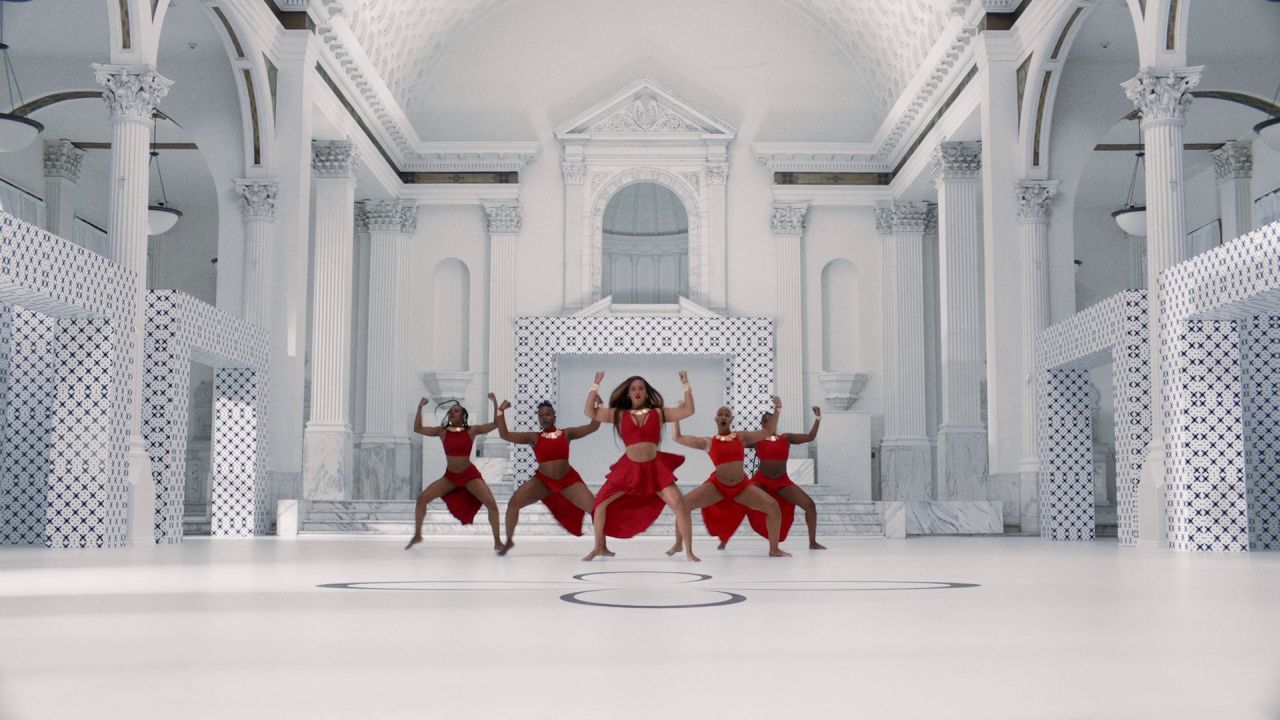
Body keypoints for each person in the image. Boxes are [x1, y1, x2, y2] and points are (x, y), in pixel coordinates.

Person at [582, 371, 699, 562]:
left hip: (654, 469)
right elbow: (590, 412)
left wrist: (686, 385)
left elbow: (688, 410)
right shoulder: (619, 414)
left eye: (641, 388)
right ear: (628, 394)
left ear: (646, 392)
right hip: (628, 469)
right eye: (633, 388)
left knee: (680, 505)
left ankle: (689, 551)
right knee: (600, 504)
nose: (637, 391)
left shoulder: (659, 413)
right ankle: (599, 547)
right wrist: (595, 386)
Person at [666, 398, 792, 558]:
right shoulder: (707, 442)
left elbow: (767, 432)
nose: (724, 417)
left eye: (727, 415)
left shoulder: (742, 437)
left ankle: (774, 549)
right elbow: (677, 437)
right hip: (717, 486)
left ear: (731, 419)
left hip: (741, 486)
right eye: (721, 414)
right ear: (716, 419)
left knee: (773, 507)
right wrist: (677, 414)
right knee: (682, 505)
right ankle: (679, 544)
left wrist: (778, 409)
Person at [490, 393, 606, 556]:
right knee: (513, 503)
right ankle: (509, 541)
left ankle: (601, 546)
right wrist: (500, 412)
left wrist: (599, 408)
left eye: (547, 414)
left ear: (554, 416)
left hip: (568, 481)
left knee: (595, 508)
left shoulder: (567, 434)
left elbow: (592, 427)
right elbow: (505, 435)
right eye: (541, 415)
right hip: (543, 482)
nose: (544, 417)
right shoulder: (534, 437)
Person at [404, 398, 502, 553]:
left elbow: (495, 424)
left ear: (463, 416)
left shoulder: (472, 431)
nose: (451, 413)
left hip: (469, 475)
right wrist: (419, 407)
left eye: (456, 411)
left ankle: (497, 541)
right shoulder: (442, 432)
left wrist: (495, 403)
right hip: (450, 477)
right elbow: (418, 428)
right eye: (450, 412)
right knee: (422, 499)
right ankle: (417, 535)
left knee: (491, 504)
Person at [739, 404, 826, 550]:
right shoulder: (757, 440)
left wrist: (818, 418)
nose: (770, 422)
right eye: (766, 420)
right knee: (739, 499)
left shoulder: (786, 438)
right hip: (761, 482)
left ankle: (812, 542)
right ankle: (724, 538)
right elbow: (736, 442)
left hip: (782, 481)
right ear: (763, 424)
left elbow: (810, 437)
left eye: (772, 419)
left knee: (810, 505)